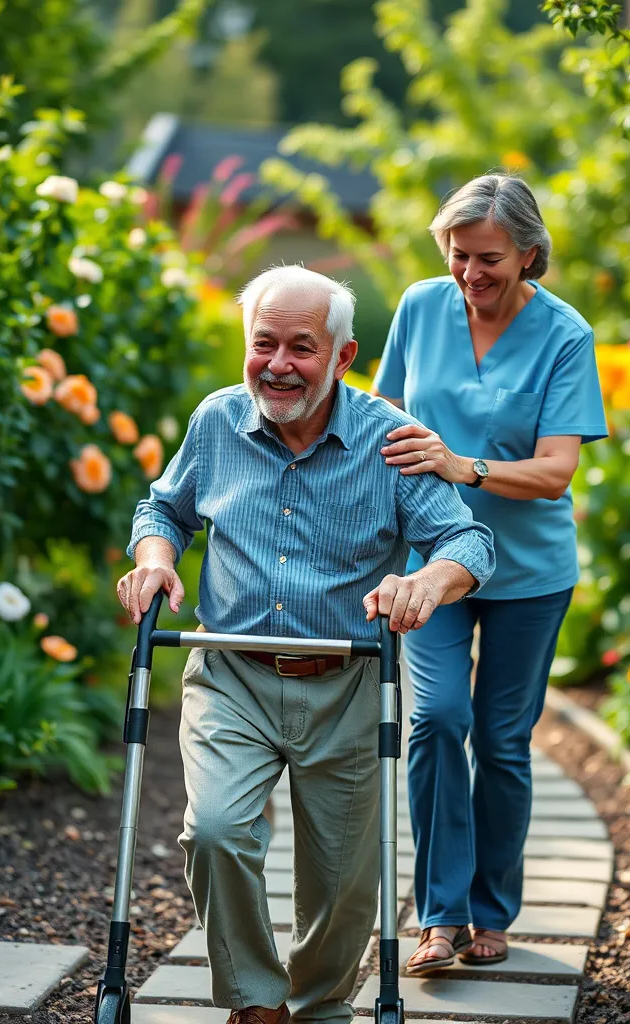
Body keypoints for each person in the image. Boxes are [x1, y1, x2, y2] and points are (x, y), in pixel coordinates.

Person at [116, 265, 495, 1024]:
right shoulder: (217, 422)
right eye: (264, 344)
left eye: (302, 347)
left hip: (350, 681)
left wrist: (427, 583)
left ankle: (321, 1005)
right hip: (232, 675)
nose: (279, 365)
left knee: (341, 880)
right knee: (216, 831)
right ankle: (256, 1004)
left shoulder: (391, 440)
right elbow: (164, 509)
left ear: (345, 356)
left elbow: (468, 540)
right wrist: (154, 560)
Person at [372, 174, 608, 973]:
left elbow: (554, 472)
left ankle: (490, 908)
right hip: (433, 567)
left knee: (503, 741)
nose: (470, 274)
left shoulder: (565, 336)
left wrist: (461, 465)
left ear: (529, 255)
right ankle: (439, 916)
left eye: (489, 259)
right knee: (436, 720)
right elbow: (386, 423)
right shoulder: (419, 307)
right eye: (458, 255)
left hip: (529, 573)